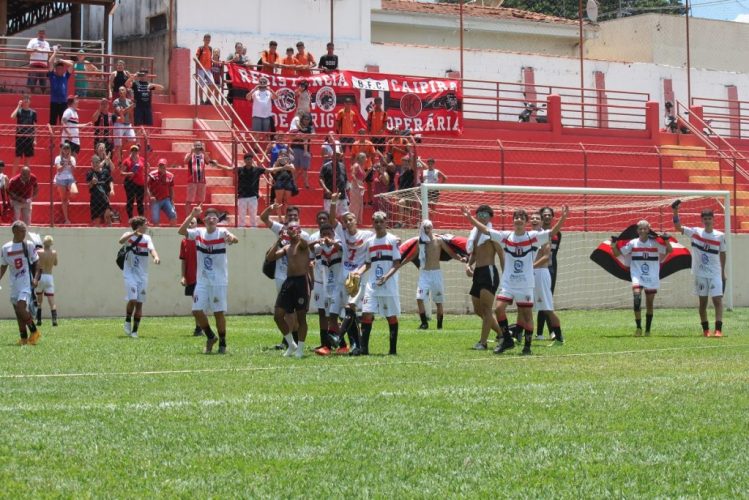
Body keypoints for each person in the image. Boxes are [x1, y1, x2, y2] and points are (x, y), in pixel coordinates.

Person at [465, 205, 569, 355]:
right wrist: (470, 217)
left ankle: (527, 346)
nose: (519, 220)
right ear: (513, 221)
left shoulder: (533, 237)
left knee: (527, 315)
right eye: (516, 217)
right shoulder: (506, 236)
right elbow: (486, 230)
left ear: (525, 222)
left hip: (526, 284)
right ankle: (507, 339)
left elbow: (552, 232)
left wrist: (563, 218)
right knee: (499, 308)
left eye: (521, 217)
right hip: (509, 283)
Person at [179, 206, 239, 354]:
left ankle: (223, 343)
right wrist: (192, 214)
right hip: (203, 281)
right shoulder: (199, 232)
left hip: (219, 281)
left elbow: (234, 239)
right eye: (209, 217)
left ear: (217, 220)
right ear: (204, 220)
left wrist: (231, 239)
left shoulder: (222, 232)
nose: (211, 219)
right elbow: (181, 231)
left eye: (214, 217)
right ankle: (211, 337)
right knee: (196, 310)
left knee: (218, 313)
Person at [351, 211, 403, 355]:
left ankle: (392, 351)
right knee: (367, 313)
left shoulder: (392, 240)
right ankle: (364, 349)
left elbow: (397, 263)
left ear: (386, 222)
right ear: (372, 223)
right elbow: (367, 264)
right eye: (376, 222)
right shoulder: (370, 242)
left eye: (381, 221)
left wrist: (386, 277)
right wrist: (358, 273)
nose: (378, 224)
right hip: (372, 285)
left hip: (388, 284)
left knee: (390, 316)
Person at [672, 202, 727, 337]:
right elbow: (677, 227)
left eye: (710, 218)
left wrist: (722, 272)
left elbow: (723, 253)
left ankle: (718, 329)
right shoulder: (695, 232)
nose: (707, 221)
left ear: (713, 219)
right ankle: (706, 329)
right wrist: (675, 212)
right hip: (700, 273)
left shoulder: (720, 236)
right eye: (705, 219)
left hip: (715, 272)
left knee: (717, 300)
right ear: (702, 220)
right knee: (703, 302)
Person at [261, 204, 310, 350]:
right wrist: (270, 208)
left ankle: (293, 341)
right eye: (290, 216)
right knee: (285, 310)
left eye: (295, 216)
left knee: (296, 311)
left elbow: (308, 253)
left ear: (299, 218)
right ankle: (289, 341)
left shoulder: (304, 236)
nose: (293, 218)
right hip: (281, 275)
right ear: (286, 218)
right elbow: (263, 218)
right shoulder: (281, 230)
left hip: (298, 277)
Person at [612, 219, 672, 337]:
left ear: (649, 229)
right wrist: (613, 245)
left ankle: (648, 330)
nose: (643, 230)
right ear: (637, 230)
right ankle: (639, 327)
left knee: (649, 303)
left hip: (652, 276)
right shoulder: (633, 243)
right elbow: (617, 254)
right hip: (637, 275)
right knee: (637, 299)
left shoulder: (655, 243)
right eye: (640, 228)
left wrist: (667, 240)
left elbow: (669, 250)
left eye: (645, 228)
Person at [402, 219, 466, 330]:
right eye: (424, 228)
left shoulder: (439, 241)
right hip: (424, 274)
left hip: (436, 274)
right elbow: (412, 256)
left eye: (428, 228)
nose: (426, 230)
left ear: (432, 228)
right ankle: (424, 323)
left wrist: (460, 259)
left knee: (438, 301)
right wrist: (401, 264)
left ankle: (439, 326)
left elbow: (451, 252)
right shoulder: (420, 242)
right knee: (419, 298)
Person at [459, 205, 504, 350]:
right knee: (478, 309)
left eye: (486, 214)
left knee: (486, 309)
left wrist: (506, 278)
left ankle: (483, 342)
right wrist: (468, 265)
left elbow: (501, 255)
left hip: (488, 272)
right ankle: (503, 334)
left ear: (491, 217)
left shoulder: (493, 233)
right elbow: (474, 254)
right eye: (480, 214)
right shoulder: (475, 234)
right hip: (478, 273)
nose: (482, 216)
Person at [0, 221, 41, 345]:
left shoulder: (28, 245)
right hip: (14, 284)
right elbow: (3, 266)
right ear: (14, 231)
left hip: (26, 283)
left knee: (21, 307)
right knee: (18, 313)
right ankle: (24, 338)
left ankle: (34, 332)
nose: (24, 233)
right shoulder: (5, 248)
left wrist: (35, 278)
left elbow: (38, 264)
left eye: (25, 230)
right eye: (21, 231)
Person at [311, 223, 348, 356]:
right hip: (328, 286)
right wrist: (316, 241)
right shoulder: (318, 247)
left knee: (334, 317)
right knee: (330, 316)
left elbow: (342, 249)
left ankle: (335, 345)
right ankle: (338, 345)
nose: (326, 236)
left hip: (339, 285)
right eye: (323, 234)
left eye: (329, 233)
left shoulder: (338, 243)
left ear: (333, 234)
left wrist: (332, 241)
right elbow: (308, 248)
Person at [119, 216, 160, 338]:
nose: (147, 226)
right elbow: (120, 241)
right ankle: (127, 320)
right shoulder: (128, 235)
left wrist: (155, 257)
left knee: (140, 303)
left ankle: (135, 331)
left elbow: (152, 249)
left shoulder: (147, 238)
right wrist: (133, 233)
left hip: (142, 275)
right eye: (145, 224)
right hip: (129, 273)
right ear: (139, 226)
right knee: (133, 299)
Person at [528, 211, 565, 343]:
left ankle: (558, 336)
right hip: (528, 274)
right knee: (525, 306)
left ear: (541, 221)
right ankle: (524, 335)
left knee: (547, 307)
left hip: (541, 273)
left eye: (537, 218)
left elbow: (546, 256)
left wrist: (531, 266)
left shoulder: (544, 236)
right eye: (532, 218)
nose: (534, 220)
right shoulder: (526, 236)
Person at [235, 153, 291, 227]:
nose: (249, 161)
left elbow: (269, 170)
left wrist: (282, 168)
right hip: (242, 197)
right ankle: (241, 231)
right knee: (241, 217)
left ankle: (254, 232)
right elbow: (229, 168)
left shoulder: (257, 170)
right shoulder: (240, 170)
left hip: (253, 197)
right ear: (244, 161)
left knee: (253, 217)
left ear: (252, 160)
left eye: (250, 159)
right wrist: (218, 165)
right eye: (247, 159)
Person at [536, 206, 562, 339]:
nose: (547, 217)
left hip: (551, 268)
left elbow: (553, 253)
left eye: (549, 215)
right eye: (544, 215)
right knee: (540, 298)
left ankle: (549, 331)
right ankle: (540, 332)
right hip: (538, 268)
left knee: (547, 298)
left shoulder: (558, 233)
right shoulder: (537, 233)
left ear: (552, 217)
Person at [179, 217, 202, 336]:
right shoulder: (184, 242)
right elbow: (183, 260)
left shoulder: (201, 237)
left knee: (198, 302)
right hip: (191, 276)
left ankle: (200, 327)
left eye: (192, 223)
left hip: (202, 276)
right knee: (196, 302)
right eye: (188, 222)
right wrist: (183, 276)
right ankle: (199, 327)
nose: (190, 224)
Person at [34, 235, 58, 327]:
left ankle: (39, 320)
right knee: (51, 300)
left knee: (39, 299)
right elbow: (56, 263)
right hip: (49, 276)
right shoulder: (54, 252)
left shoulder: (38, 252)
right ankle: (54, 319)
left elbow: (34, 261)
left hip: (40, 276)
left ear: (43, 242)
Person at [47, 48, 74, 126]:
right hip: (54, 102)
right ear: (55, 69)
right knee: (52, 122)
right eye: (58, 68)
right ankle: (52, 138)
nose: (60, 70)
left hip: (63, 103)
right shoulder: (52, 76)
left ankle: (64, 137)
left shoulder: (65, 76)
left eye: (61, 69)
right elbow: (50, 62)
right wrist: (55, 52)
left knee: (64, 122)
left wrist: (61, 60)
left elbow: (72, 64)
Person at [11, 95, 37, 176]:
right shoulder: (19, 111)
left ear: (30, 101)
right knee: (17, 159)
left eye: (28, 99)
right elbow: (12, 116)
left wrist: (35, 139)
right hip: (20, 138)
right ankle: (12, 179)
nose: (26, 100)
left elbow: (35, 126)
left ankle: (25, 179)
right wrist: (18, 106)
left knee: (27, 161)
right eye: (25, 99)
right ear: (22, 101)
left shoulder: (33, 112)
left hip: (29, 138)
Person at [319, 145, 348, 216]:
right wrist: (326, 189)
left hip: (342, 195)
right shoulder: (326, 166)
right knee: (329, 215)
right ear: (331, 156)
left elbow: (345, 179)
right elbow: (321, 178)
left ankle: (343, 227)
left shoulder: (342, 166)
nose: (336, 157)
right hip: (330, 195)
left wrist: (347, 192)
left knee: (344, 215)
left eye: (338, 155)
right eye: (335, 155)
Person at [87, 152, 114, 226]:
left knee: (107, 216)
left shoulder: (105, 171)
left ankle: (110, 232)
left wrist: (112, 189)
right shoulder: (90, 173)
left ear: (99, 162)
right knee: (96, 220)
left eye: (97, 162)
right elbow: (89, 186)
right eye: (93, 162)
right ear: (91, 163)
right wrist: (92, 182)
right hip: (95, 199)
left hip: (104, 198)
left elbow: (110, 181)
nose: (95, 164)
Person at [147, 159, 177, 226]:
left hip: (166, 199)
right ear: (158, 165)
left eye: (163, 166)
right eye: (160, 165)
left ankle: (172, 233)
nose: (161, 167)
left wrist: (172, 200)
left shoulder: (170, 175)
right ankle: (157, 233)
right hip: (156, 200)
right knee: (155, 219)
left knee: (173, 216)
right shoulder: (152, 174)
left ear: (166, 166)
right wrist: (150, 196)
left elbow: (171, 189)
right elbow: (146, 186)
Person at [289, 111, 314, 189]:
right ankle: (294, 183)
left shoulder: (310, 127)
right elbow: (290, 137)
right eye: (305, 119)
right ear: (302, 119)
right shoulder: (296, 126)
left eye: (308, 119)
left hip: (305, 150)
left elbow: (314, 136)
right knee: (295, 168)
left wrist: (305, 137)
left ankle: (306, 184)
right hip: (295, 148)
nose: (306, 121)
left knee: (305, 169)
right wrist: (299, 137)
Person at [120, 144, 146, 218]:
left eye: (136, 150)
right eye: (133, 150)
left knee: (140, 202)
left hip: (140, 183)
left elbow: (145, 167)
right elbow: (121, 173)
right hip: (130, 183)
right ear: (130, 151)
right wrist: (129, 173)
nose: (134, 152)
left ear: (138, 151)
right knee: (130, 201)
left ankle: (141, 218)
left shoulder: (142, 159)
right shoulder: (126, 161)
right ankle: (130, 218)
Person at [53, 143, 76, 224]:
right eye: (64, 148)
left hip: (70, 178)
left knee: (74, 192)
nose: (66, 150)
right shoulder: (58, 158)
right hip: (61, 179)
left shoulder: (72, 158)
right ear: (61, 149)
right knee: (64, 200)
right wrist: (64, 163)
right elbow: (59, 170)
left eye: (67, 148)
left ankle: (67, 195)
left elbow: (73, 169)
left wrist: (69, 160)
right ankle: (66, 219)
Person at [113, 85, 136, 163]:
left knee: (133, 139)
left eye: (122, 90)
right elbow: (120, 112)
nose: (121, 92)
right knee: (117, 144)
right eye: (120, 90)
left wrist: (132, 122)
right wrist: (130, 107)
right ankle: (119, 161)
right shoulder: (116, 101)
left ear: (125, 92)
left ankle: (122, 147)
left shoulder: (129, 101)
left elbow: (130, 114)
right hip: (119, 123)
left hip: (127, 123)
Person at [270, 148, 296, 219]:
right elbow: (273, 172)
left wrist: (287, 165)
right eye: (282, 154)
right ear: (279, 155)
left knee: (286, 201)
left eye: (284, 155)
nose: (283, 156)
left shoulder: (290, 163)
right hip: (279, 182)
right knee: (279, 201)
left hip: (288, 182)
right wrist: (279, 164)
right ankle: (280, 218)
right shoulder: (276, 163)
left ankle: (286, 217)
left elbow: (293, 170)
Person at [26, 27, 51, 94]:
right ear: (37, 33)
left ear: (45, 34)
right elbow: (27, 51)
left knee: (43, 83)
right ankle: (31, 96)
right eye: (40, 33)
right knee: (32, 82)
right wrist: (34, 50)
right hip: (34, 64)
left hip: (43, 66)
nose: (41, 34)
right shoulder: (33, 41)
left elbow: (49, 54)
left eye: (43, 33)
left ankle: (43, 95)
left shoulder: (47, 43)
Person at [195, 34, 214, 105]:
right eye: (206, 39)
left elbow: (210, 59)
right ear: (203, 40)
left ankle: (207, 100)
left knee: (212, 84)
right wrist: (196, 61)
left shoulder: (210, 49)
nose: (207, 41)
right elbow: (196, 57)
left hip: (208, 69)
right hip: (201, 69)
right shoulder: (200, 48)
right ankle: (201, 100)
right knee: (201, 85)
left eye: (209, 40)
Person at [349, 152, 367, 221]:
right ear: (361, 158)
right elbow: (353, 175)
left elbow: (362, 177)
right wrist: (358, 185)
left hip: (360, 186)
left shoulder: (361, 166)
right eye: (365, 158)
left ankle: (356, 220)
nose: (366, 159)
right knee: (355, 204)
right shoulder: (356, 165)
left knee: (359, 204)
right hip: (355, 186)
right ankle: (352, 220)